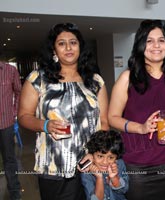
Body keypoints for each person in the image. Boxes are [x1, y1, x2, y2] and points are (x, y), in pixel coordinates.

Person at [17, 23, 109, 200]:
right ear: (54, 49)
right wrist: (45, 125)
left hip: (90, 163)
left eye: (73, 42)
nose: (68, 47)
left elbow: (104, 122)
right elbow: (23, 116)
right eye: (61, 43)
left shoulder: (95, 81)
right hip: (53, 166)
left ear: (80, 47)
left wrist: (95, 152)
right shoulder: (38, 79)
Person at [108, 19, 165, 200]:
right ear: (140, 45)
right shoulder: (127, 78)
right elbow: (112, 117)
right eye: (149, 40)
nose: (156, 45)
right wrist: (141, 127)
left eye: (161, 40)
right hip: (137, 164)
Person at [80, 130, 129, 200]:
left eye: (111, 157)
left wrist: (114, 177)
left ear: (116, 157)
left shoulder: (119, 164)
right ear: (92, 155)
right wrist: (99, 178)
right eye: (100, 156)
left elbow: (124, 190)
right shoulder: (86, 172)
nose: (105, 162)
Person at [0, 61, 22, 200]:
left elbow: (19, 92)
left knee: (9, 159)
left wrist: (14, 112)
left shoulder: (10, 70)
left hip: (6, 123)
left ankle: (14, 192)